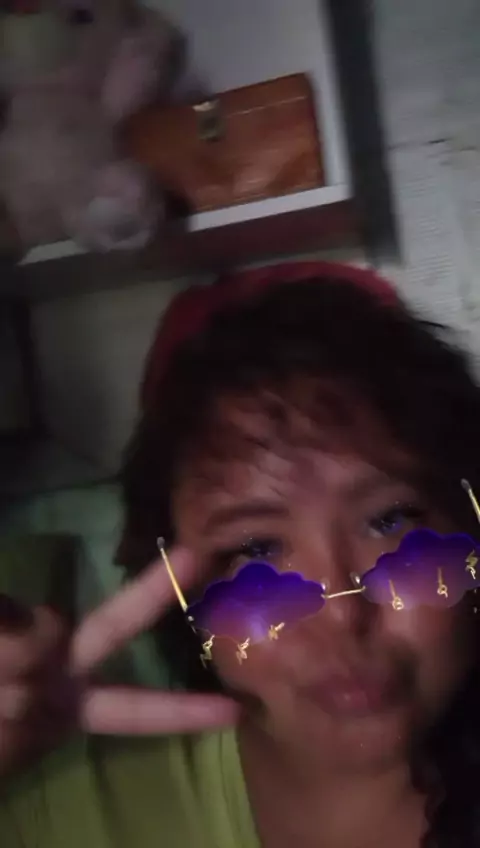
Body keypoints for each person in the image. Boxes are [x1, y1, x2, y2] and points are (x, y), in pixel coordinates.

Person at [1, 261, 480, 848]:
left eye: (390, 521)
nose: (341, 612)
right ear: (180, 595)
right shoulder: (50, 808)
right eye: (255, 548)